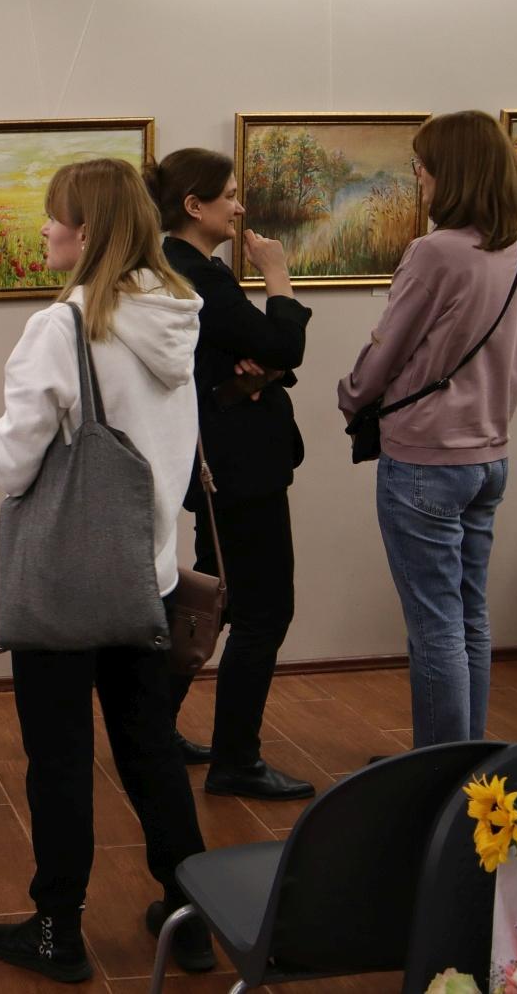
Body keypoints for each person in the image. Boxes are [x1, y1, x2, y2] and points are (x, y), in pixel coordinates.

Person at [0, 159, 214, 980]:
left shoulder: (65, 325)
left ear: (87, 231)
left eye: (56, 216)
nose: (46, 228)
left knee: (59, 757)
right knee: (150, 747)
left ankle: (57, 929)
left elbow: (14, 462)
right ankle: (191, 918)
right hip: (147, 573)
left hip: (68, 580)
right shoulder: (177, 315)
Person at [337, 109, 517, 748]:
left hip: (425, 458)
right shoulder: (516, 250)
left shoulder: (435, 252)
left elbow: (387, 350)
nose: (417, 176)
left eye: (421, 165)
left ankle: (437, 777)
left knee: (435, 628)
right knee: (470, 617)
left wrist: (351, 394)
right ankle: (468, 768)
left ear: (451, 172)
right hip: (488, 456)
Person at [145, 149, 316, 802]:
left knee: (211, 600)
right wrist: (277, 275)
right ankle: (237, 761)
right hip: (240, 467)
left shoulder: (180, 269)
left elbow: (263, 356)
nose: (240, 207)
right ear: (195, 206)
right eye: (231, 195)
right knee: (262, 611)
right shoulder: (197, 276)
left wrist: (259, 366)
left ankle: (151, 734)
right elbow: (285, 344)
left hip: (220, 462)